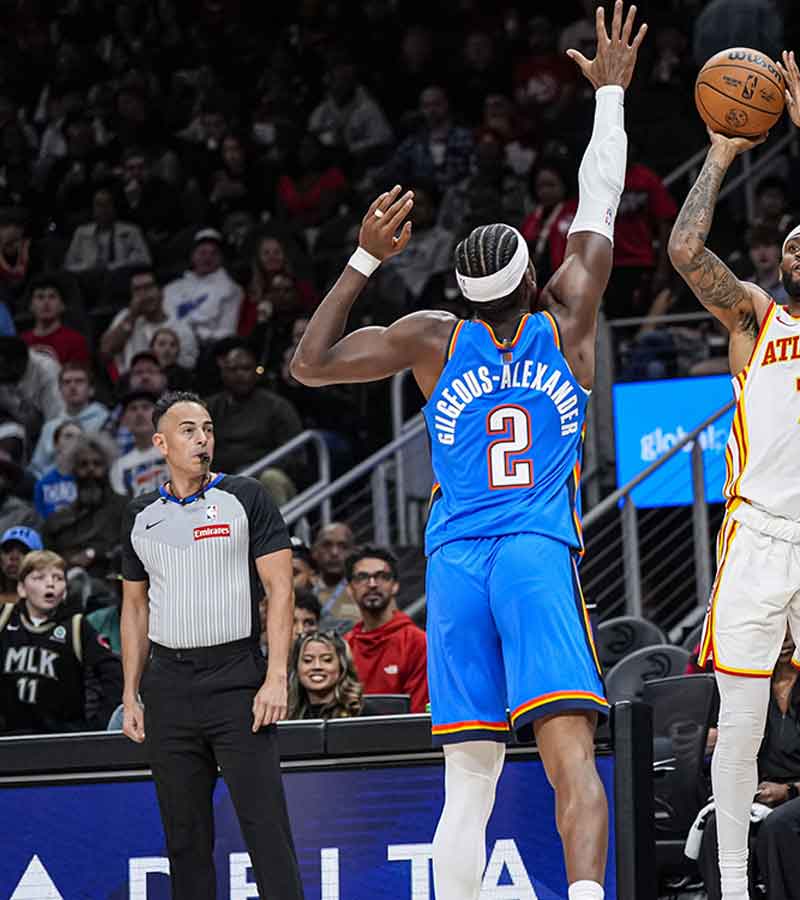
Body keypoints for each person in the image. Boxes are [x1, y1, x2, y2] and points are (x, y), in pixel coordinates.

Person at [290, 10, 647, 898]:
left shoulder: (432, 338)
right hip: (533, 555)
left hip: (452, 566)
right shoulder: (566, 316)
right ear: (531, 276)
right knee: (571, 764)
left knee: (468, 784)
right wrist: (609, 93)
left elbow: (308, 363)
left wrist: (366, 259)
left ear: (461, 290)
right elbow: (598, 201)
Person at [665, 50, 800, 900]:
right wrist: (723, 150)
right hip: (757, 535)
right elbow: (687, 249)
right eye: (790, 243)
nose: (798, 250)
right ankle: (729, 887)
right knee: (742, 723)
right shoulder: (754, 318)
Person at [119, 392, 301, 900]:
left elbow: (281, 590)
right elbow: (134, 608)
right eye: (188, 430)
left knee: (266, 830)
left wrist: (276, 676)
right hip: (169, 688)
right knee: (185, 839)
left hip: (237, 679)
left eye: (208, 428)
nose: (203, 438)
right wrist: (130, 693)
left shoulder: (247, 497)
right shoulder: (138, 514)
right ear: (160, 443)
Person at [696, 634, 800, 900]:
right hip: (764, 792)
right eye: (778, 629)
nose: (785, 639)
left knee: (780, 824)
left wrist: (789, 790)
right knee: (717, 827)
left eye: (792, 628)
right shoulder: (749, 687)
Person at [0, 549, 121, 734]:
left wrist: (96, 726)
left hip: (59, 743)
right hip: (7, 739)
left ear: (64, 591)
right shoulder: (4, 618)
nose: (50, 584)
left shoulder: (77, 626)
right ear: (22, 589)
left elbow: (114, 675)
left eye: (58, 578)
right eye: (39, 577)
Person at [207, 342, 304, 503]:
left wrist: (253, 470)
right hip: (221, 479)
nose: (240, 375)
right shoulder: (209, 408)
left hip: (265, 475)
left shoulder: (277, 406)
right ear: (223, 373)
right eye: (233, 369)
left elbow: (294, 456)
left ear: (257, 372)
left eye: (246, 369)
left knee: (271, 478)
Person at [344, 545, 428, 713]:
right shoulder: (345, 645)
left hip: (406, 737)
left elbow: (419, 714)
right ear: (349, 589)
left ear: (395, 585)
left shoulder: (418, 642)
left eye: (382, 576)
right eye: (362, 577)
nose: (372, 584)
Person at [42, 435, 127, 580]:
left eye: (97, 464)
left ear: (106, 468)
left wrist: (93, 553)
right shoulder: (57, 521)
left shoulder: (124, 508)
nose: (90, 470)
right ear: (73, 470)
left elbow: (130, 548)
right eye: (83, 464)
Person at [162, 228, 243, 345]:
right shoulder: (171, 288)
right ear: (193, 256)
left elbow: (228, 332)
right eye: (202, 252)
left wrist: (196, 335)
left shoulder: (231, 289)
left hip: (207, 349)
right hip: (170, 345)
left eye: (214, 253)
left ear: (221, 258)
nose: (207, 258)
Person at [31, 361, 109, 475]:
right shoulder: (50, 427)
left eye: (79, 381)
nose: (72, 386)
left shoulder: (106, 420)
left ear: (91, 390)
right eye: (67, 382)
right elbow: (36, 468)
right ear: (60, 391)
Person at [286, 630, 364, 719]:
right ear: (296, 667)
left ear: (342, 666)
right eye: (308, 660)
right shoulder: (286, 715)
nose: (317, 666)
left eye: (327, 660)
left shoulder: (360, 711)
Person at [20, 276, 90, 367]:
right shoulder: (21, 342)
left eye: (52, 297)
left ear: (63, 306)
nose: (46, 302)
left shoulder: (76, 341)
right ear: (31, 306)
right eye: (40, 297)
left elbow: (76, 378)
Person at [109, 390, 167, 498]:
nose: (139, 413)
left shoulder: (175, 450)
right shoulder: (120, 466)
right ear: (124, 420)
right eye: (133, 408)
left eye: (145, 407)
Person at [308, 521, 355, 624]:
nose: (334, 553)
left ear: (352, 553)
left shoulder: (363, 592)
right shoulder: (304, 588)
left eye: (343, 546)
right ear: (315, 551)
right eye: (327, 545)